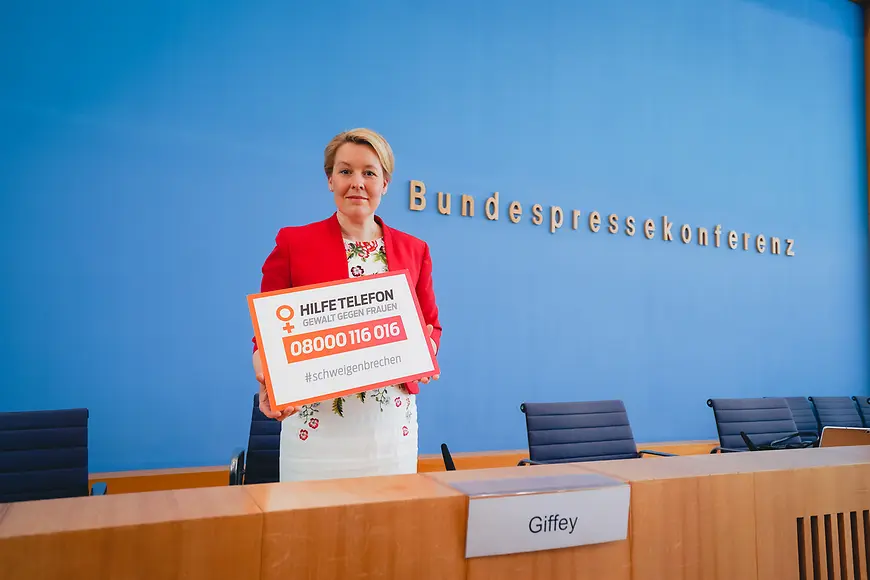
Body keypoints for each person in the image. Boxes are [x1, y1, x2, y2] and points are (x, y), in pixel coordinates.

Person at [251, 128, 442, 482]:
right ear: (330, 180)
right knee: (310, 527)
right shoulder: (294, 243)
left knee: (386, 528)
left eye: (369, 172)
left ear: (385, 183)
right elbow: (268, 334)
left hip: (388, 428)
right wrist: (266, 372)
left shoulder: (415, 250)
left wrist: (425, 350)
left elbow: (432, 325)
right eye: (345, 171)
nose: (357, 182)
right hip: (316, 427)